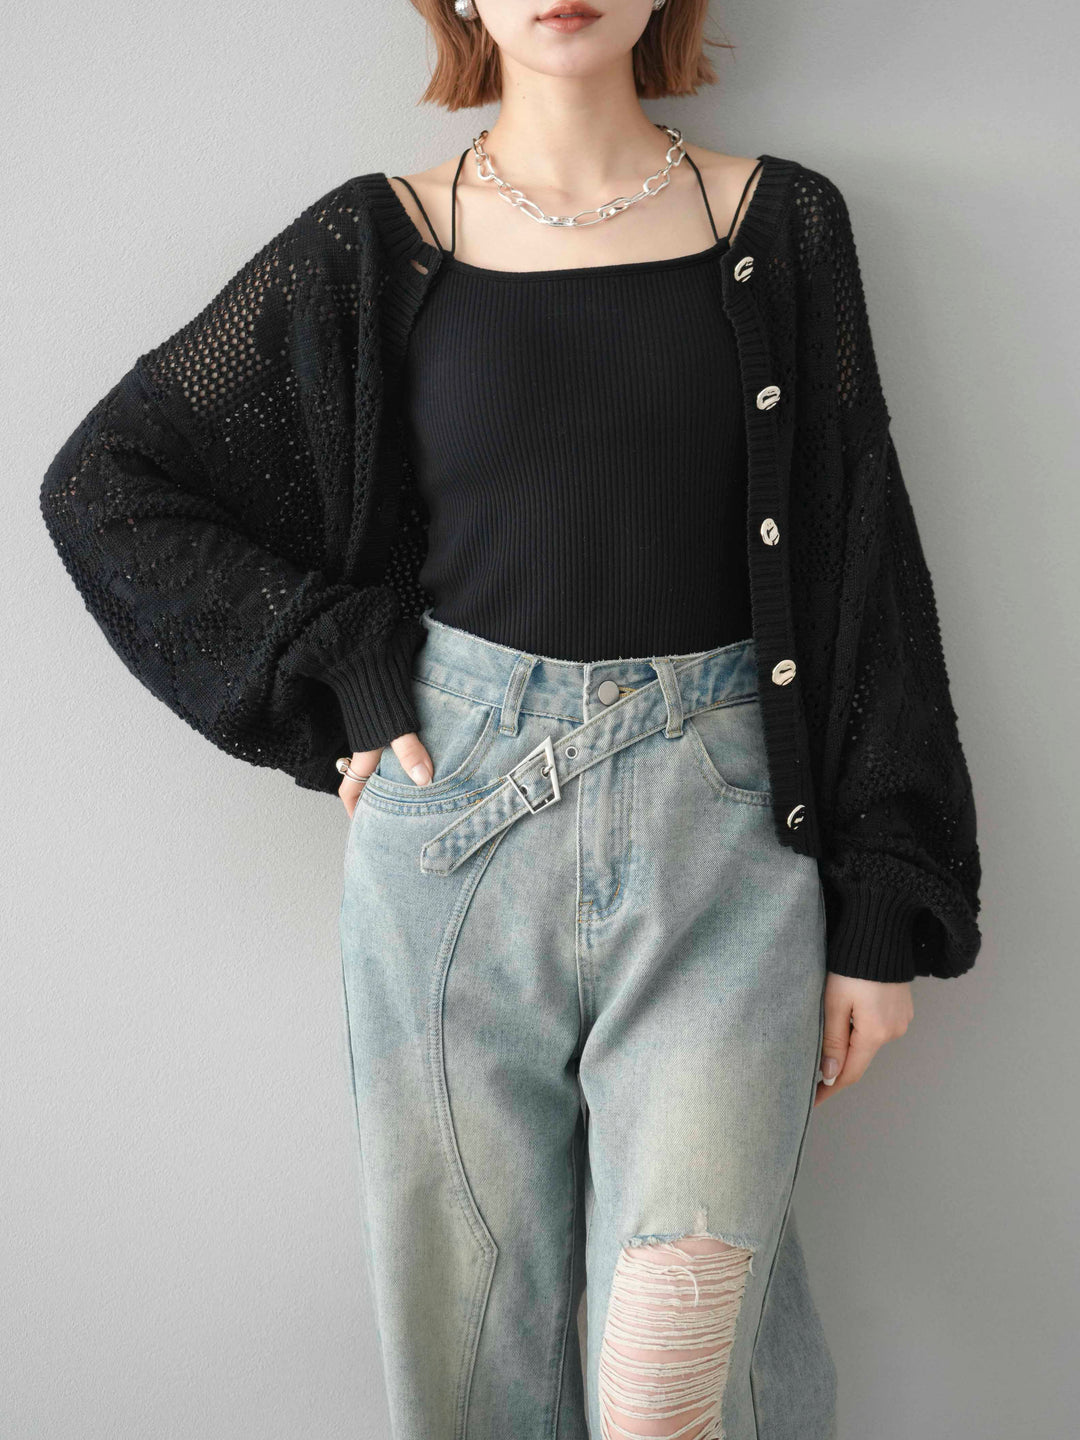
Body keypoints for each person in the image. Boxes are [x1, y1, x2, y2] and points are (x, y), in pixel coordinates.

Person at [39, 1, 982, 1435]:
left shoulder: (779, 224)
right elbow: (107, 480)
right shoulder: (378, 240)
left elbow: (862, 550)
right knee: (472, 1352)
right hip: (454, 838)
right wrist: (343, 671)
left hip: (729, 838)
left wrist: (884, 899)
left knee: (674, 1372)